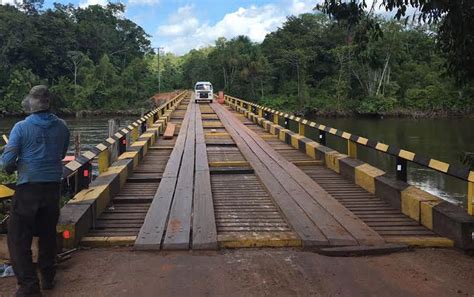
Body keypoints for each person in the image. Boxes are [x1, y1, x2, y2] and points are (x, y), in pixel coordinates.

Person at [0, 85, 70, 297]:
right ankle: (48, 276)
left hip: (28, 188)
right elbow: (61, 153)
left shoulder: (21, 128)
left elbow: (7, 163)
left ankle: (29, 285)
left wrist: (13, 164)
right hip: (52, 187)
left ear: (31, 103)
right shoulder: (62, 127)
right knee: (47, 233)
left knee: (18, 237)